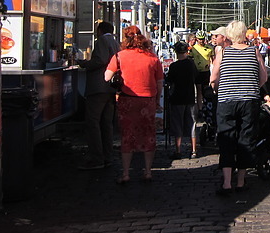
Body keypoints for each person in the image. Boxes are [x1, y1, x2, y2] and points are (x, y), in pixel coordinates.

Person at [210, 21, 267, 195]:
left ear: (229, 35)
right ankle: (241, 181)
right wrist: (252, 87)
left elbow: (214, 78)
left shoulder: (223, 52)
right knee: (246, 138)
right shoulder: (254, 51)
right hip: (249, 101)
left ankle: (227, 182)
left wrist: (217, 88)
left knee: (226, 138)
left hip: (227, 101)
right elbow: (264, 77)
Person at [105, 26, 164, 184]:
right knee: (148, 134)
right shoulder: (153, 58)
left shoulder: (119, 56)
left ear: (125, 39)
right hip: (147, 100)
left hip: (127, 99)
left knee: (127, 136)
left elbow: (107, 77)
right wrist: (157, 100)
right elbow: (159, 83)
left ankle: (125, 173)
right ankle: (148, 171)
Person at [78, 21, 121, 170]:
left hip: (98, 87)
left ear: (100, 30)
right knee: (106, 123)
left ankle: (97, 158)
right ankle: (107, 156)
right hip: (109, 89)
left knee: (93, 122)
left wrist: (85, 64)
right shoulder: (115, 42)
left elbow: (100, 60)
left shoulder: (103, 40)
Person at [166, 41, 198, 160]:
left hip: (177, 98)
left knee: (177, 124)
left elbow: (169, 81)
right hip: (190, 97)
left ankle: (178, 150)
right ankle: (194, 150)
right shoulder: (191, 64)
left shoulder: (174, 66)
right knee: (192, 124)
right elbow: (196, 77)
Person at [190, 30, 214, 114]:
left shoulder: (209, 48)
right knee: (199, 89)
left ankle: (206, 106)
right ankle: (200, 108)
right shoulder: (194, 49)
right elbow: (190, 59)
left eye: (203, 39)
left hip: (206, 71)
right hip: (197, 72)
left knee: (206, 90)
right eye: (200, 39)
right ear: (197, 39)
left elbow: (213, 60)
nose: (201, 41)